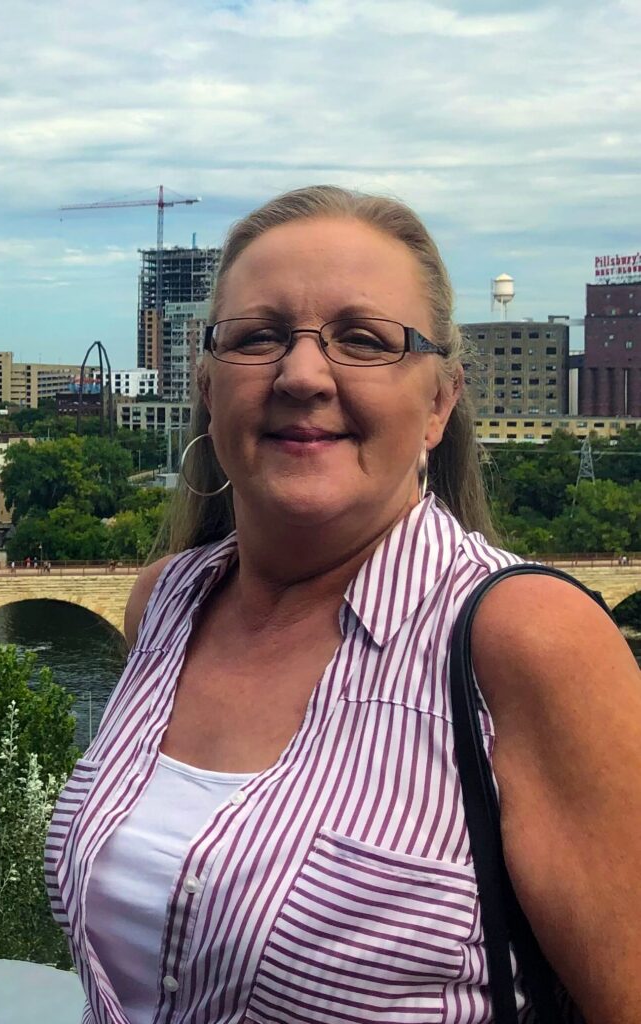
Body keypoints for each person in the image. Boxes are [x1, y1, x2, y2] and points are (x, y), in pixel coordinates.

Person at [45, 187, 641, 1024]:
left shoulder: (527, 639)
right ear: (208, 388)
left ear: (438, 403)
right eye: (257, 338)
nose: (300, 375)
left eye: (363, 340)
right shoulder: (166, 604)